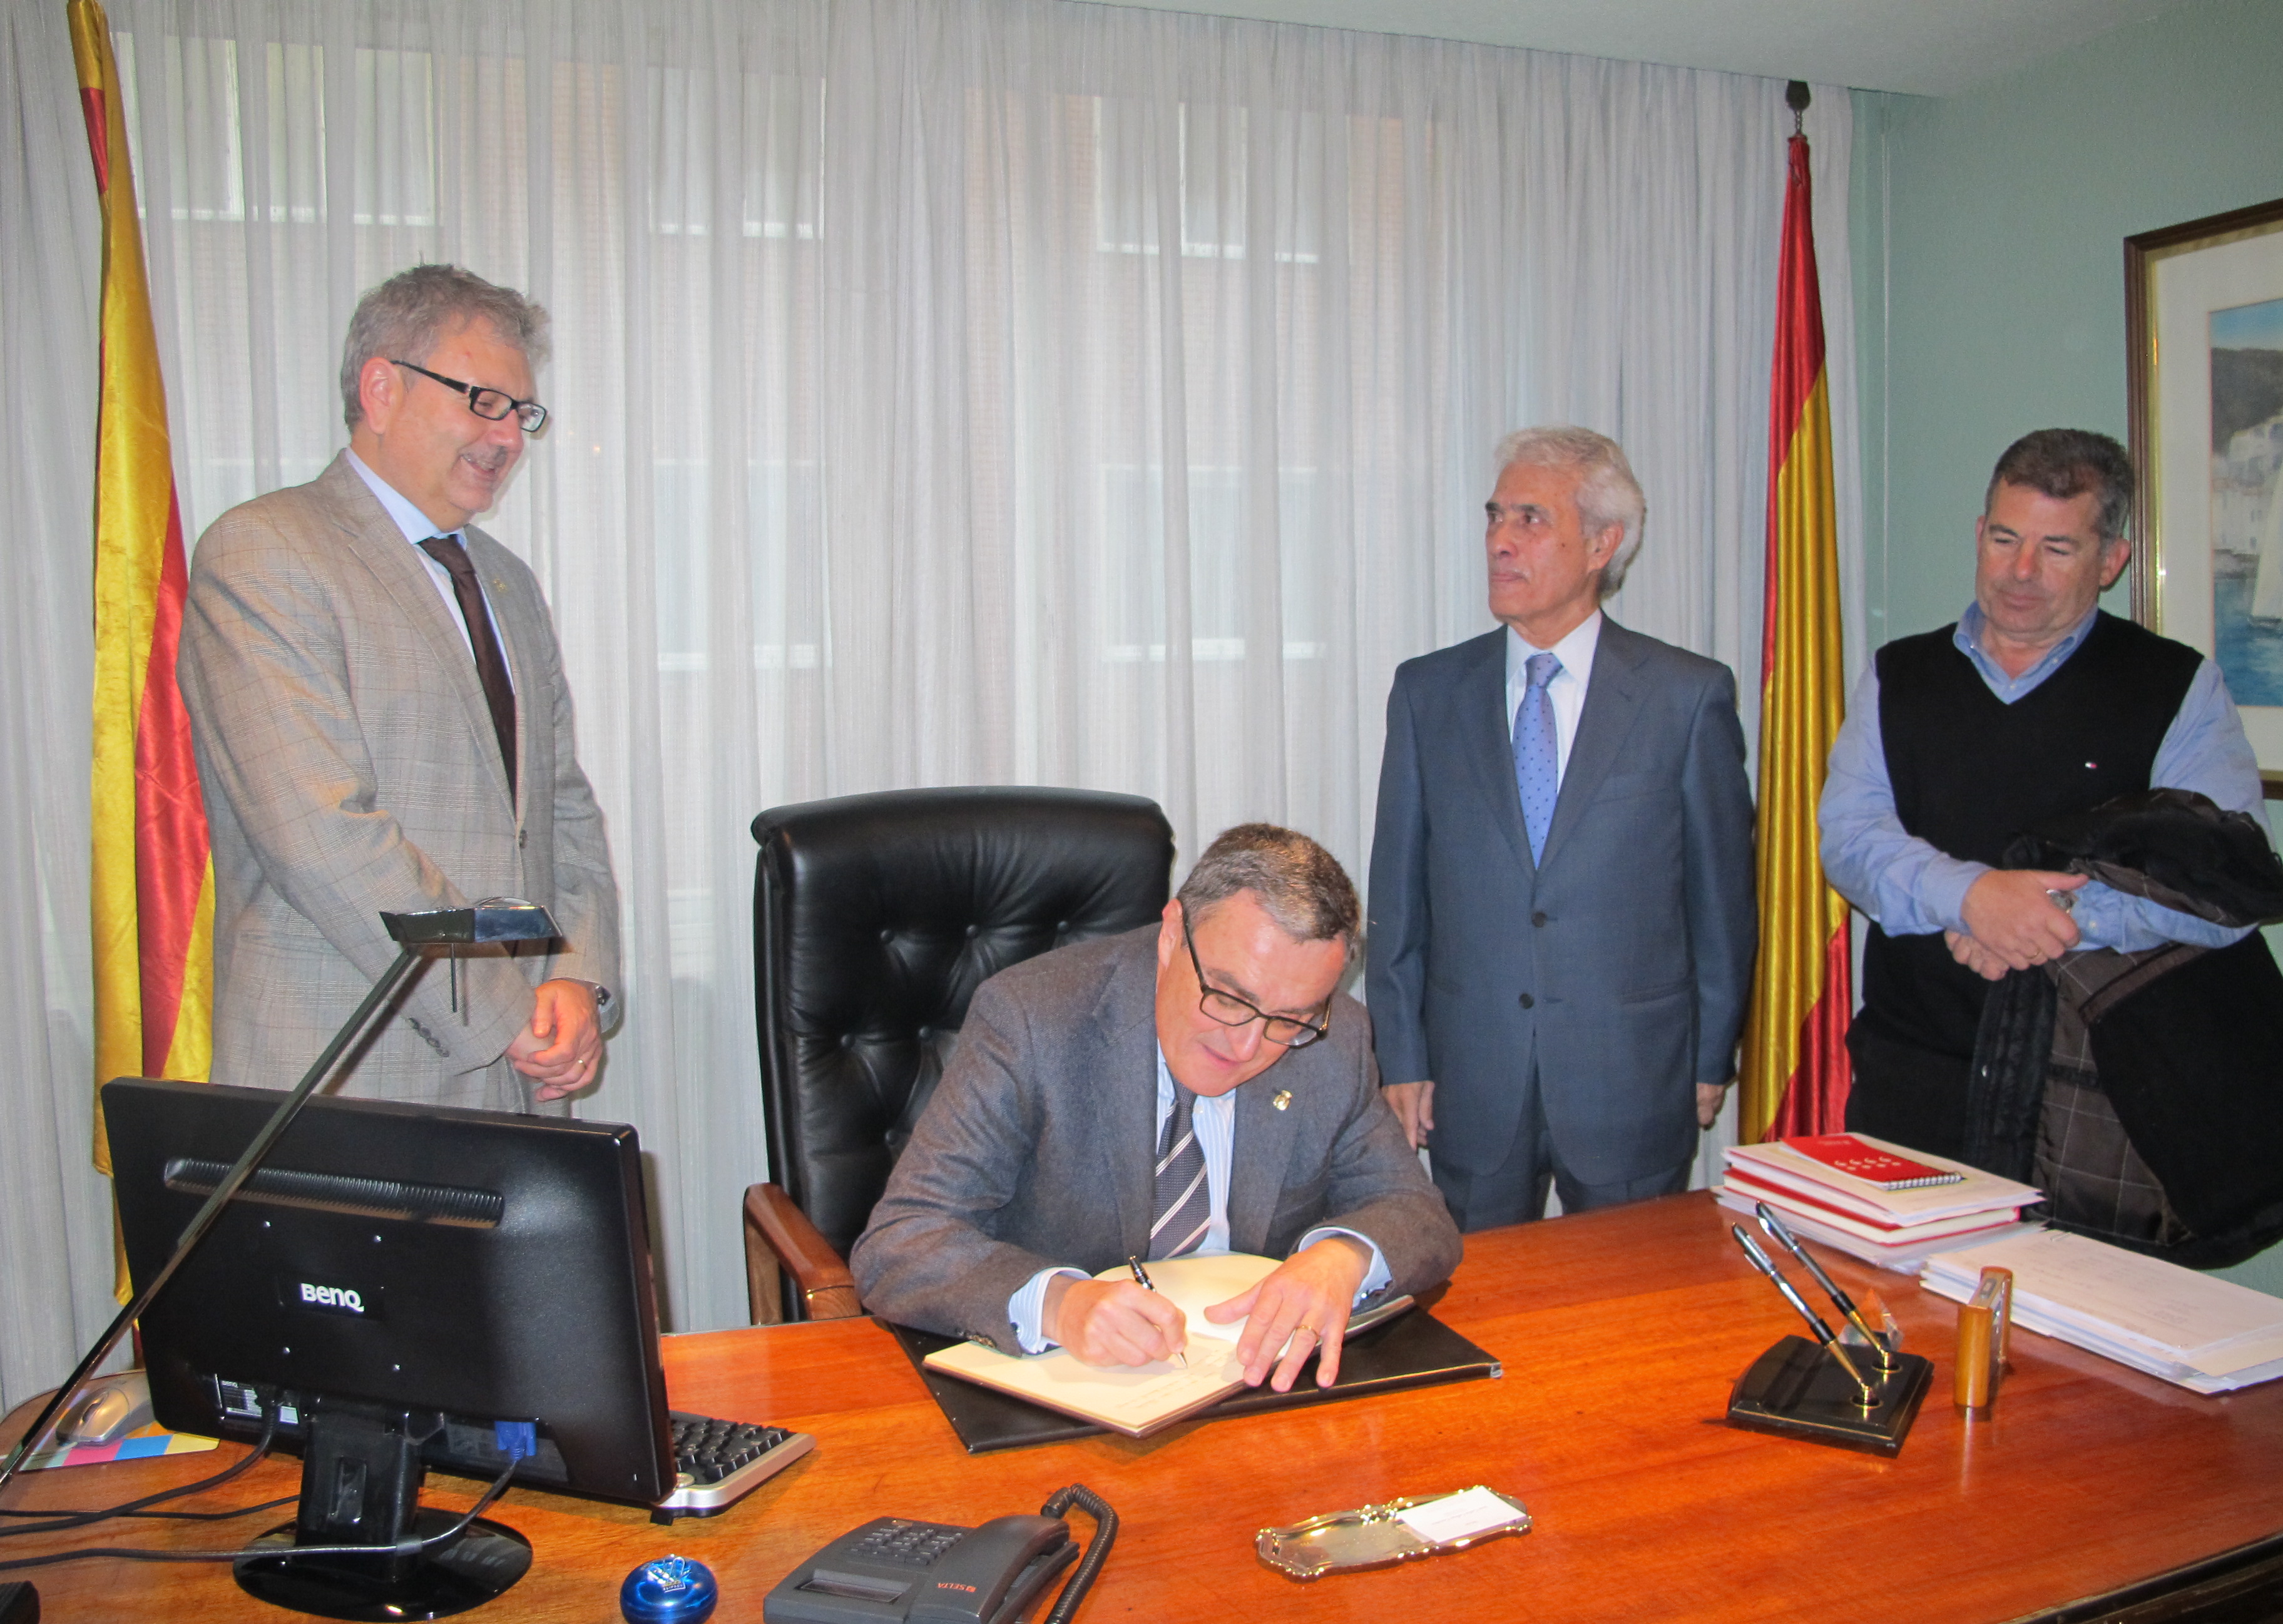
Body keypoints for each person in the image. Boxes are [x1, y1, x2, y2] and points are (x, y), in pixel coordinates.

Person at [180, 264, 621, 1110]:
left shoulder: (507, 583)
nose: (508, 438)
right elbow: (321, 836)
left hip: (519, 1083)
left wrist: (576, 979)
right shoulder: (264, 553)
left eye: (522, 413)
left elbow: (561, 807)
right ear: (381, 390)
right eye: (484, 402)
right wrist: (503, 1010)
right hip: (349, 1077)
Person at [850, 824, 1462, 1394]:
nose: (1246, 1046)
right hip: (1072, 1387)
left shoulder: (1335, 1039)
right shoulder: (1032, 1022)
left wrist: (1345, 1257)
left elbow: (1416, 1213)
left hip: (1253, 1382)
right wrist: (1058, 1304)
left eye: (1289, 1020)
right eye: (1229, 997)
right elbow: (901, 1243)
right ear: (1171, 936)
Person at [1820, 427, 2264, 1158]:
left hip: (2096, 1100)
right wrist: (1971, 898)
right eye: (2005, 539)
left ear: (2112, 560)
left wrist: (2042, 920)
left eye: (2057, 549)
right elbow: (1850, 838)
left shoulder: (2176, 686)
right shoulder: (1899, 674)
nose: (2020, 571)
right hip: (1914, 1081)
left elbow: (2224, 890)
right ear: (1979, 534)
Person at [1366, 426, 1757, 1230]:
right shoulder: (1430, 693)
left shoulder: (1685, 697)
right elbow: (1397, 897)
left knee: (1630, 1293)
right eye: (1495, 516)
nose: (1500, 541)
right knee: (1480, 1295)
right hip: (1473, 1077)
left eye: (1531, 520)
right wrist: (1400, 1055)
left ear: (1602, 545)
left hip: (1633, 1076)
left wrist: (1710, 1055)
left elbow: (1722, 901)